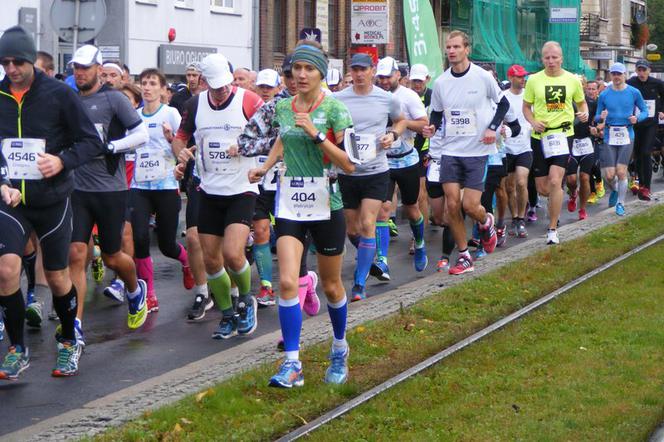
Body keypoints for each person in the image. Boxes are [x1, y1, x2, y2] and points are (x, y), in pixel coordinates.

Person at [248, 43, 356, 388]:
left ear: (322, 73)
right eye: (297, 69)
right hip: (292, 202)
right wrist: (265, 166)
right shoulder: (282, 107)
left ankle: (339, 347)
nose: (302, 75)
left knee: (331, 285)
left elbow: (349, 164)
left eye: (309, 69)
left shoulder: (337, 110)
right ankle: (292, 363)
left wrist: (316, 134)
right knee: (286, 281)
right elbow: (283, 137)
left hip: (328, 204)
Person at [0, 26, 104, 379]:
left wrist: (61, 161)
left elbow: (91, 142)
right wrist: (2, 181)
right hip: (10, 200)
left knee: (59, 278)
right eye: (5, 62)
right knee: (6, 270)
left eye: (17, 62)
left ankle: (68, 340)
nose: (11, 69)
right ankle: (17, 348)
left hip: (53, 199)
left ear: (31, 60)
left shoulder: (59, 94)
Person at [174, 53, 264, 339]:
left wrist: (247, 148)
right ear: (203, 82)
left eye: (225, 84)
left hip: (242, 188)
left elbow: (273, 135)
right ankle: (226, 314)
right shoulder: (194, 104)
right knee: (211, 259)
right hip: (209, 189)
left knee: (233, 253)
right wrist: (182, 154)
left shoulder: (248, 100)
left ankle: (245, 300)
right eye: (215, 86)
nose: (222, 90)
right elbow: (180, 137)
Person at [67, 45, 150, 342]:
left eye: (86, 68)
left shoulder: (114, 99)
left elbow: (142, 134)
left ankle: (134, 289)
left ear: (99, 71)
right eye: (76, 67)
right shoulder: (69, 99)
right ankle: (74, 326)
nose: (80, 73)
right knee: (76, 254)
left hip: (111, 190)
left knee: (114, 257)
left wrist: (113, 146)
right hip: (77, 188)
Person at [423, 30, 514, 274]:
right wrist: (432, 126)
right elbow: (437, 112)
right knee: (452, 205)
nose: (451, 51)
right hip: (450, 151)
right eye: (448, 47)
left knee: (471, 206)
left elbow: (503, 103)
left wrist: (492, 128)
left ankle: (486, 221)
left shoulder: (482, 77)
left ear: (466, 49)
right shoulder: (441, 82)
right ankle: (464, 256)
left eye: (455, 47)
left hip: (477, 150)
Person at [334, 53, 406, 301]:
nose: (359, 74)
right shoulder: (338, 99)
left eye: (363, 69)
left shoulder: (386, 99)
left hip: (376, 170)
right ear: (350, 72)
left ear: (372, 70)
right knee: (352, 228)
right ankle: (371, 257)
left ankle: (358, 283)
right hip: (348, 172)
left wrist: (392, 136)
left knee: (367, 224)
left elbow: (400, 121)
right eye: (355, 69)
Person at [129, 68, 192, 311]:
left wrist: (170, 139)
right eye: (143, 83)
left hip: (166, 184)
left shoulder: (171, 113)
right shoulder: (133, 116)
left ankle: (186, 261)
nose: (147, 87)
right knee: (140, 238)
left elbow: (184, 144)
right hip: (140, 185)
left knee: (166, 244)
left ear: (162, 89)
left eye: (152, 83)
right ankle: (150, 293)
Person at [522, 41, 589, 245]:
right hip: (540, 137)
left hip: (563, 134)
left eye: (554, 57)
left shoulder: (572, 80)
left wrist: (584, 112)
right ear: (542, 59)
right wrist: (533, 122)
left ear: (561, 58)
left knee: (554, 180)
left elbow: (581, 102)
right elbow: (526, 107)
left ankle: (552, 229)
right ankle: (557, 195)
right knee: (543, 188)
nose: (551, 61)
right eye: (547, 58)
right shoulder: (533, 80)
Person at [375, 56, 429, 279]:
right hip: (382, 160)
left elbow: (424, 123)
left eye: (388, 76)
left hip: (407, 159)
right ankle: (382, 260)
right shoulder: (374, 96)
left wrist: (405, 123)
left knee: (411, 208)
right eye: (381, 77)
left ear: (398, 75)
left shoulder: (409, 96)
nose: (385, 81)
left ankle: (420, 242)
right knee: (383, 209)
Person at [595, 62, 648, 216]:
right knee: (609, 175)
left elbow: (644, 110)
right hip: (609, 134)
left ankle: (621, 203)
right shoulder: (604, 94)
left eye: (619, 74)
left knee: (621, 171)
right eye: (614, 74)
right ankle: (618, 189)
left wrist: (637, 118)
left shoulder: (634, 92)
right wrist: (601, 117)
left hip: (627, 134)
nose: (617, 77)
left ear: (624, 75)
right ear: (611, 75)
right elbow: (597, 116)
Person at [626, 59, 664, 201]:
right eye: (639, 70)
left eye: (644, 70)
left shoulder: (657, 83)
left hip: (651, 123)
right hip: (636, 123)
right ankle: (640, 182)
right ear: (636, 71)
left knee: (646, 152)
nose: (641, 73)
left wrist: (662, 110)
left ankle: (646, 187)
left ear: (649, 70)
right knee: (637, 154)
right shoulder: (630, 83)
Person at [503, 65, 532, 238]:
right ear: (511, 77)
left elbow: (535, 116)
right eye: (520, 77)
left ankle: (521, 218)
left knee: (521, 182)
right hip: (507, 147)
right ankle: (514, 217)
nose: (523, 80)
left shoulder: (529, 97)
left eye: (524, 77)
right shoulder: (503, 97)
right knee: (509, 186)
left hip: (524, 146)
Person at [409, 63, 433, 247]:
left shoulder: (433, 96)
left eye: (420, 80)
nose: (416, 84)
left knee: (421, 194)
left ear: (427, 79)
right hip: (408, 149)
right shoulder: (405, 96)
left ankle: (419, 236)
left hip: (427, 149)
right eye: (414, 81)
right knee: (411, 195)